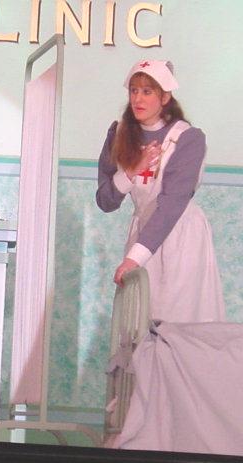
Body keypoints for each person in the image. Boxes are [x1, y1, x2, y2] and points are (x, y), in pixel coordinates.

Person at [96, 59, 225, 323]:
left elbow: (171, 205)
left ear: (165, 97)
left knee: (177, 319)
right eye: (134, 90)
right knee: (137, 322)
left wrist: (134, 259)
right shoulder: (119, 134)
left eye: (147, 91)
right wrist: (132, 171)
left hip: (181, 234)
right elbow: (105, 200)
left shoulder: (187, 138)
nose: (137, 99)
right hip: (143, 229)